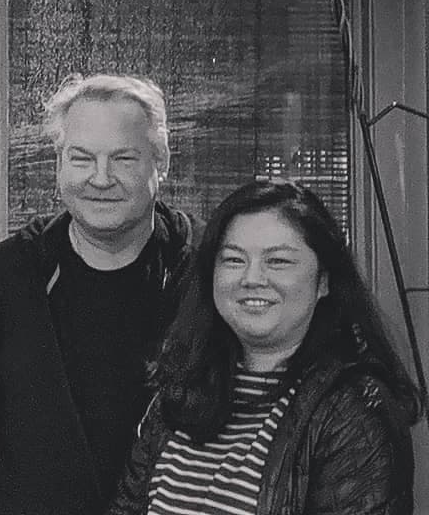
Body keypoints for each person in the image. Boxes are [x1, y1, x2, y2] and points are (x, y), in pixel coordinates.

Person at [0, 74, 198, 515]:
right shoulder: (7, 276)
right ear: (58, 163)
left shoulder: (207, 276)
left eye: (123, 158)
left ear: (161, 163)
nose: (101, 179)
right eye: (82, 158)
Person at [107, 178, 421, 515]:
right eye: (233, 260)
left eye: (278, 262)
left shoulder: (354, 413)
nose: (252, 278)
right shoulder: (179, 392)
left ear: (324, 281)